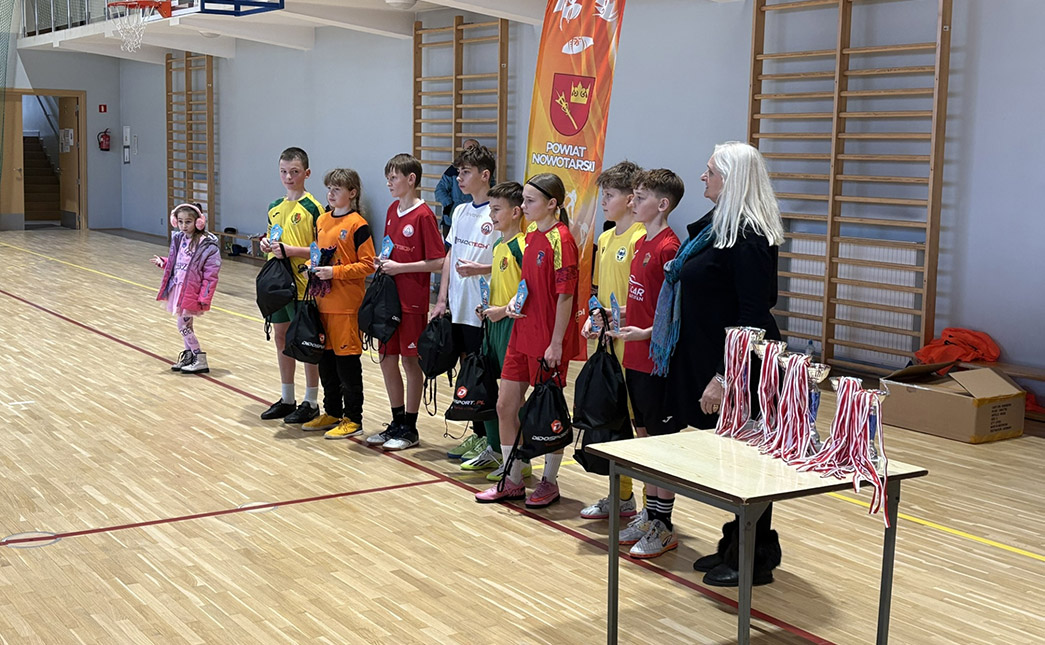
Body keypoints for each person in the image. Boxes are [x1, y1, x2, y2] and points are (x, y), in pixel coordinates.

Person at [654, 141, 785, 586]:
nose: (703, 177)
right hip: (709, 356)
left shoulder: (749, 236)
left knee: (746, 463)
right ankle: (735, 542)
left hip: (742, 369)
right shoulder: (717, 227)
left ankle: (753, 558)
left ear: (732, 179)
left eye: (710, 171)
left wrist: (725, 377)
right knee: (729, 459)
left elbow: (753, 316)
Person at [475, 173, 579, 509]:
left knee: (548, 410)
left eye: (530, 200)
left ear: (552, 204)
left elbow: (565, 296)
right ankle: (513, 479)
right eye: (524, 199)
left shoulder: (562, 240)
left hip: (547, 340)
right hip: (520, 335)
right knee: (505, 405)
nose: (524, 206)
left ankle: (550, 481)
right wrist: (509, 307)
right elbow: (526, 287)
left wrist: (557, 343)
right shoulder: (531, 235)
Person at [608, 169, 683, 558]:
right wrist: (615, 315)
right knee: (644, 439)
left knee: (660, 444)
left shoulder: (670, 248)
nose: (632, 202)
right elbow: (642, 301)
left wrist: (646, 334)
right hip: (634, 356)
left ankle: (664, 526)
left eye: (640, 197)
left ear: (662, 204)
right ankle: (650, 515)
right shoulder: (642, 243)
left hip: (657, 362)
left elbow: (675, 314)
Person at [364, 153, 446, 451]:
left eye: (393, 177)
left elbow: (438, 261)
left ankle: (410, 427)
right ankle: (396, 421)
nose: (388, 183)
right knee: (387, 359)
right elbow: (393, 250)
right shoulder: (391, 210)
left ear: (411, 180)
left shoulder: (423, 215)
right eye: (387, 178)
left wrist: (401, 268)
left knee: (411, 361)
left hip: (412, 301)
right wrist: (384, 262)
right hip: (388, 300)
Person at [579, 160, 645, 522]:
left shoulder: (640, 238)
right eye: (603, 195)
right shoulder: (604, 239)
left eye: (610, 195)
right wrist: (595, 318)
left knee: (639, 428)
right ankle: (621, 497)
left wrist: (617, 319)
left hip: (633, 344)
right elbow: (601, 294)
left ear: (631, 198)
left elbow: (644, 299)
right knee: (612, 422)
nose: (603, 201)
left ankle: (654, 510)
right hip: (606, 345)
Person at [431, 144, 499, 462]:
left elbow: (508, 261)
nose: (459, 177)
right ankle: (478, 436)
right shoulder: (459, 211)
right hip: (458, 306)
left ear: (485, 175)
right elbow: (450, 255)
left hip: (482, 309)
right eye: (459, 171)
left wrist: (480, 269)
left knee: (483, 374)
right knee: (467, 373)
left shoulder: (496, 213)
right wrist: (441, 299)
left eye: (466, 172)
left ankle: (492, 444)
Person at [300, 168, 376, 440]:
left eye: (337, 189)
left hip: (346, 306)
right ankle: (332, 412)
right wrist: (309, 266)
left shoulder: (358, 224)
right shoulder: (322, 220)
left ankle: (353, 418)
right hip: (322, 304)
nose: (330, 194)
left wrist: (335, 272)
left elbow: (368, 265)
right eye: (329, 188)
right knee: (327, 363)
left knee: (347, 365)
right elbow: (318, 253)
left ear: (352, 193)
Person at [465, 181, 531, 481]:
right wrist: (488, 307)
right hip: (492, 324)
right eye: (490, 209)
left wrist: (503, 310)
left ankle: (520, 458)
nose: (491, 215)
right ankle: (495, 449)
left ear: (516, 212)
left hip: (512, 326)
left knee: (511, 398)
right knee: (489, 389)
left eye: (496, 209)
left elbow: (527, 290)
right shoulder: (499, 245)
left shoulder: (521, 246)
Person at [258, 147, 325, 424]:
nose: (288, 177)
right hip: (279, 286)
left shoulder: (314, 208)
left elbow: (322, 249)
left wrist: (292, 251)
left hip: (304, 286)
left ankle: (311, 401)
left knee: (305, 342)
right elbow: (271, 241)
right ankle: (287, 398)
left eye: (294, 172)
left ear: (306, 173)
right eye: (284, 172)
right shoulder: (275, 206)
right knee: (281, 338)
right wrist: (266, 245)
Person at [152, 203, 222, 375]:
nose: (184, 226)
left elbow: (211, 275)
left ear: (199, 222)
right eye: (180, 221)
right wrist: (164, 262)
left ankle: (199, 357)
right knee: (187, 324)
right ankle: (189, 356)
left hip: (192, 291)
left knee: (182, 325)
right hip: (178, 289)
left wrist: (205, 296)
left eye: (188, 222)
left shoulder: (207, 246)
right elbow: (176, 262)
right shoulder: (179, 239)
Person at [434, 138, 481, 237]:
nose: (460, 177)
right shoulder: (452, 170)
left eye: (473, 148)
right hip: (452, 220)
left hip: (475, 219)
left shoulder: (482, 172)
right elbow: (439, 190)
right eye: (467, 149)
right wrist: (449, 205)